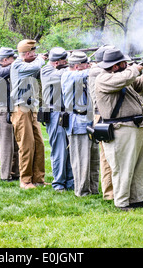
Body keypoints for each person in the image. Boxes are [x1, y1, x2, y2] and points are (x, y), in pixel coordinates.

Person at [95, 48, 143, 211]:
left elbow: (140, 86)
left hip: (136, 126)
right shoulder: (104, 78)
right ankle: (122, 202)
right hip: (121, 128)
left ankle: (137, 199)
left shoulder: (124, 75)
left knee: (138, 167)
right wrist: (136, 68)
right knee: (123, 168)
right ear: (115, 65)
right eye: (123, 62)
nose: (127, 64)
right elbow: (126, 77)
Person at [10, 39, 48, 189]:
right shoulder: (18, 64)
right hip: (21, 107)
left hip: (32, 107)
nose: (35, 54)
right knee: (26, 145)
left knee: (39, 143)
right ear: (26, 53)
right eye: (33, 52)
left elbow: (40, 70)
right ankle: (25, 180)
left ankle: (38, 178)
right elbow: (37, 64)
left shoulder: (29, 65)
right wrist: (41, 59)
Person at [61, 51, 99, 197]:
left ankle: (93, 189)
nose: (88, 66)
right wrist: (97, 67)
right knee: (81, 160)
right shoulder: (68, 75)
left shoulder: (81, 73)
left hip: (89, 119)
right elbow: (88, 73)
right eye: (85, 64)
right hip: (78, 121)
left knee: (93, 159)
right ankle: (82, 191)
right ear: (77, 66)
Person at [40, 47, 73, 192]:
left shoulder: (61, 69)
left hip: (66, 112)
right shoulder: (47, 70)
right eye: (64, 61)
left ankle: (71, 182)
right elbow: (62, 75)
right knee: (59, 150)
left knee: (70, 149)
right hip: (54, 113)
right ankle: (58, 183)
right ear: (57, 62)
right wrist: (75, 64)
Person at [0, 47, 20, 182]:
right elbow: (7, 71)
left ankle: (15, 172)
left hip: (9, 108)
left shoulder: (4, 67)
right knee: (6, 145)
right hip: (1, 109)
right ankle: (5, 176)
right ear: (5, 59)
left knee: (15, 144)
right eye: (13, 58)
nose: (15, 61)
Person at [88, 45, 116, 201]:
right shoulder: (96, 71)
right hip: (101, 116)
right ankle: (109, 193)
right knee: (106, 158)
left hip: (107, 115)